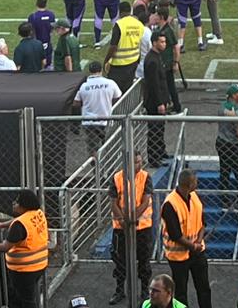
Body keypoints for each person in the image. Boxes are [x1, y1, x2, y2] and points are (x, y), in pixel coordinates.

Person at [0, 189, 49, 308]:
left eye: (17, 202)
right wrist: (3, 224)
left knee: (27, 300)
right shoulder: (37, 213)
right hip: (40, 265)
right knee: (19, 297)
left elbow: (4, 247)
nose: (14, 203)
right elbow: (21, 219)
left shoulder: (19, 226)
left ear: (24, 206)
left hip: (24, 270)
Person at [161, 169, 212, 308]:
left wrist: (198, 241)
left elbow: (202, 223)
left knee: (204, 288)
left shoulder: (194, 197)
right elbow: (175, 235)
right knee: (181, 293)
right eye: (195, 181)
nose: (197, 183)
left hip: (197, 251)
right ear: (188, 185)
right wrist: (193, 246)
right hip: (178, 256)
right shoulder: (170, 204)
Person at [111, 151, 154, 305]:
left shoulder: (145, 177)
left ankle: (144, 290)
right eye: (136, 162)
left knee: (144, 260)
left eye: (140, 161)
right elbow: (113, 202)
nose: (139, 164)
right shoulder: (117, 178)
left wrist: (133, 218)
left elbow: (146, 200)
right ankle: (120, 290)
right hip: (121, 228)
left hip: (142, 227)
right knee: (120, 260)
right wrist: (123, 219)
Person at [75, 60, 121, 155]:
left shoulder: (84, 86)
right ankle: (107, 164)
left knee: (93, 148)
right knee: (108, 145)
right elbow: (118, 96)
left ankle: (95, 166)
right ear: (101, 71)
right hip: (106, 120)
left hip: (89, 121)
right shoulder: (110, 83)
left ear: (90, 71)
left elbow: (76, 102)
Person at [142, 32, 171, 166]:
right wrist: (160, 102)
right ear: (154, 43)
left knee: (160, 128)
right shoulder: (152, 60)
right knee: (155, 130)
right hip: (154, 102)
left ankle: (160, 152)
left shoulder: (156, 57)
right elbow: (154, 84)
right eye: (161, 42)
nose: (164, 44)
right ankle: (154, 158)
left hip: (160, 100)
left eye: (164, 42)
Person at [108, 0, 147, 93]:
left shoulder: (119, 24)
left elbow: (113, 46)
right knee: (128, 89)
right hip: (133, 61)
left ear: (120, 11)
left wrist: (107, 60)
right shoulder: (139, 24)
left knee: (116, 91)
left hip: (119, 63)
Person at [28, 0, 57, 68]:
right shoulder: (51, 15)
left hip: (36, 45)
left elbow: (30, 32)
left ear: (36, 3)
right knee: (48, 64)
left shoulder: (33, 16)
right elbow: (52, 29)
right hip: (47, 43)